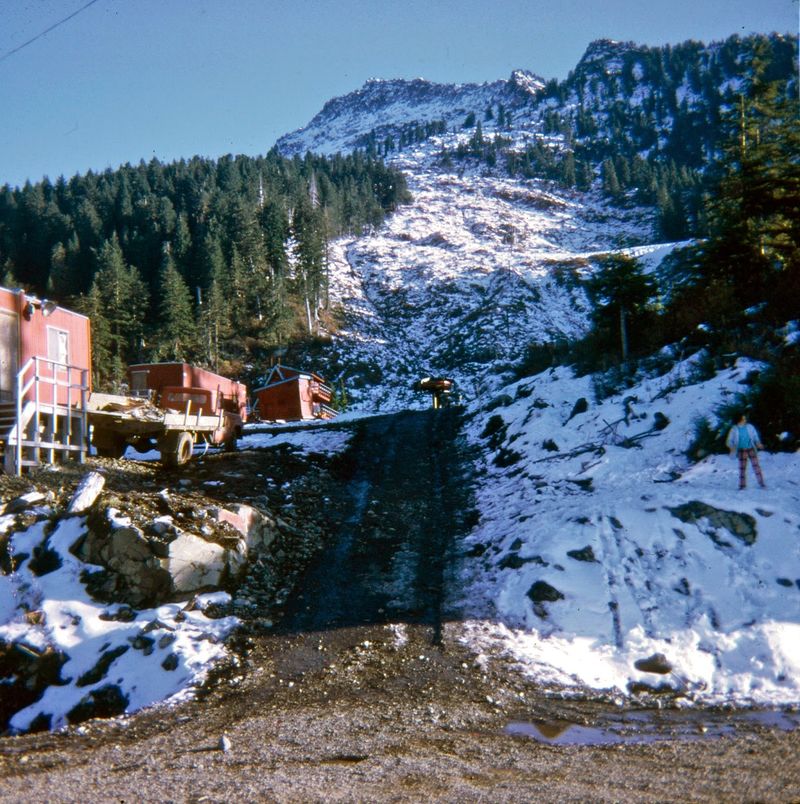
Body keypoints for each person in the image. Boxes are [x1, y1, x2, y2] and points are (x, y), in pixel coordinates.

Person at [726, 413, 766, 490]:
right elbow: (729, 441)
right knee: (742, 468)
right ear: (739, 420)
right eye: (743, 419)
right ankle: (742, 485)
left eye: (745, 418)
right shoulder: (734, 429)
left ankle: (761, 483)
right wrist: (732, 446)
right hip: (741, 450)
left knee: (756, 466)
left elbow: (755, 436)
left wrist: (758, 443)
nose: (745, 420)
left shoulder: (750, 427)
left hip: (750, 448)